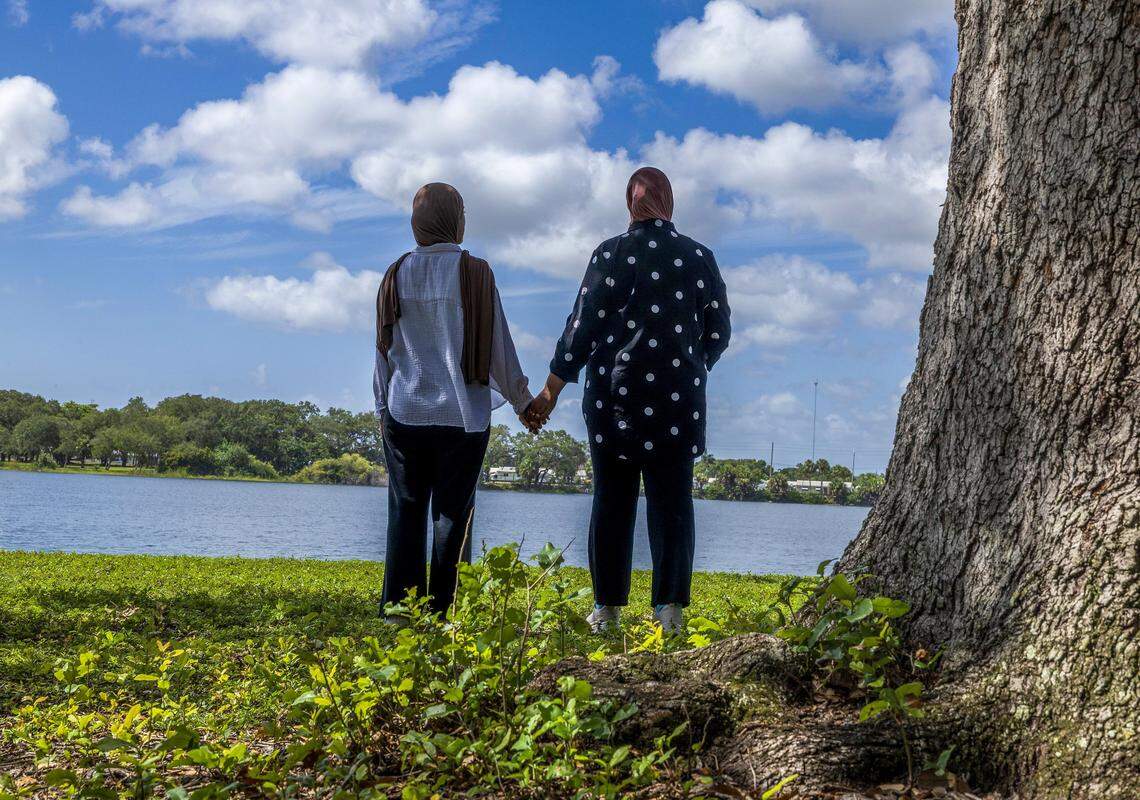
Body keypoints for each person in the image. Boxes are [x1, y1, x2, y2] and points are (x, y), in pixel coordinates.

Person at [527, 167, 731, 634]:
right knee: (673, 501)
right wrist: (692, 366)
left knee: (613, 499)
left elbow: (582, 328)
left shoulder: (610, 254)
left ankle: (607, 611)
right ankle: (670, 612)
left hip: (613, 401)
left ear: (630, 203)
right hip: (679, 402)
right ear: (669, 202)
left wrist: (551, 390)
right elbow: (720, 332)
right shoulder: (699, 257)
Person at [374, 182, 537, 619]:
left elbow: (384, 350)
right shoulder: (476, 272)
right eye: (462, 210)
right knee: (452, 516)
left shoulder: (395, 273)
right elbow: (499, 347)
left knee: (406, 512)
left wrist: (381, 408)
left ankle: (400, 611)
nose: (465, 218)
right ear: (454, 219)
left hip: (405, 411)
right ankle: (444, 613)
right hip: (462, 418)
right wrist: (523, 403)